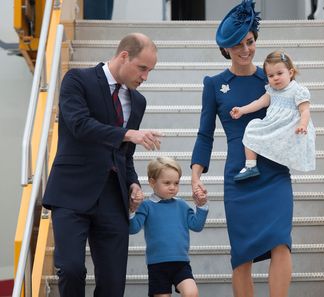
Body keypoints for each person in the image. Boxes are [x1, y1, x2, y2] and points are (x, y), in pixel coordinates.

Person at [42, 33, 162, 297]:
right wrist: (126, 134)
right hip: (71, 192)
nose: (145, 77)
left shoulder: (138, 101)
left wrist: (133, 183)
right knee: (72, 269)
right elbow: (78, 125)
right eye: (142, 68)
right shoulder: (77, 79)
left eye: (150, 71)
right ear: (123, 56)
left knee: (113, 283)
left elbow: (125, 155)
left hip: (112, 197)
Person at [190, 1, 293, 297]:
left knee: (280, 242)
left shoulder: (273, 79)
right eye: (237, 45)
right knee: (242, 255)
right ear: (226, 49)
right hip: (239, 177)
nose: (245, 49)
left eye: (249, 41)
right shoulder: (214, 84)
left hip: (274, 171)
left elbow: (294, 114)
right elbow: (204, 134)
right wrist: (196, 175)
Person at [231, 50, 316, 182]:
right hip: (273, 125)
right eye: (271, 76)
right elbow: (259, 103)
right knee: (252, 127)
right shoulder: (271, 91)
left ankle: (278, 158)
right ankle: (251, 166)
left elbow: (305, 110)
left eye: (280, 73)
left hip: (288, 128)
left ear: (291, 72)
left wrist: (302, 125)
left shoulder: (298, 91)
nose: (275, 78)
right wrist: (242, 110)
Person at [130, 157, 208, 297]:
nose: (173, 187)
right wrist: (131, 210)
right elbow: (133, 228)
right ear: (152, 182)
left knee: (191, 293)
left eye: (176, 183)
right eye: (167, 183)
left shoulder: (182, 205)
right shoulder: (146, 206)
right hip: (157, 265)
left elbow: (196, 226)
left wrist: (201, 206)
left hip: (181, 263)